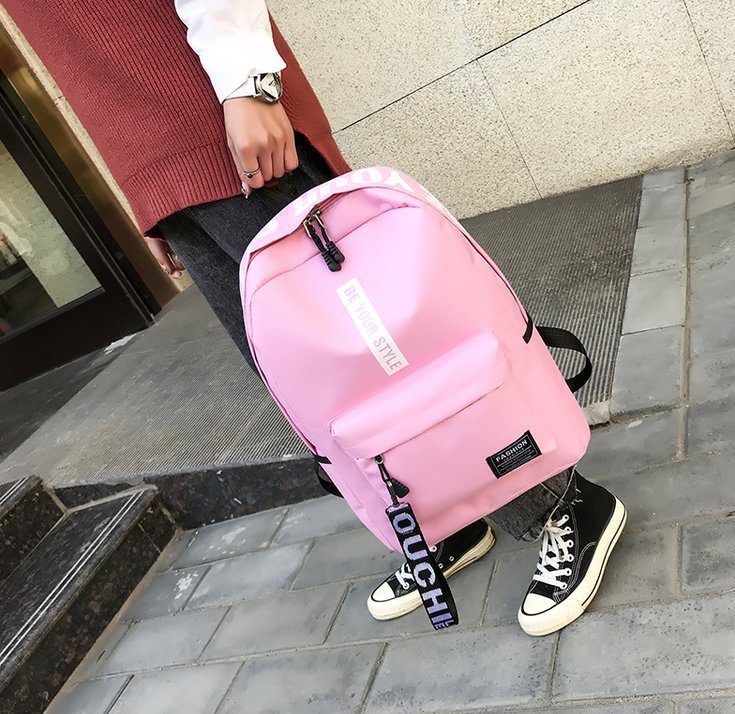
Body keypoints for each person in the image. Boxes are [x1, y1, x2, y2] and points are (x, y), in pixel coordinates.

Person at [5, 0, 626, 637]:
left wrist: (248, 83)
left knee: (382, 358)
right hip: (162, 164)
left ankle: (567, 506)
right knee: (315, 385)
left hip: (218, 117)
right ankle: (446, 517)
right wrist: (152, 200)